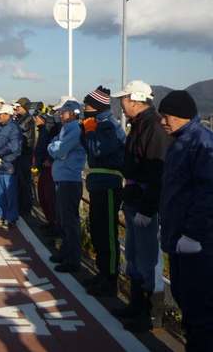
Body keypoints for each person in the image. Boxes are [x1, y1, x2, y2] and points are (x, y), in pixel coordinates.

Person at [110, 80, 171, 332]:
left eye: (123, 99)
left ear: (135, 99)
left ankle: (151, 314)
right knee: (134, 255)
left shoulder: (153, 128)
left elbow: (157, 172)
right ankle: (136, 306)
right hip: (134, 198)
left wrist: (148, 209)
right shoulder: (139, 125)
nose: (121, 104)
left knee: (148, 258)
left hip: (144, 202)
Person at [158, 90, 213, 352]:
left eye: (166, 116)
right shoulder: (181, 140)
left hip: (197, 243)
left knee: (200, 308)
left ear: (181, 115)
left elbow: (209, 191)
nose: (162, 121)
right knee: (185, 299)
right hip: (179, 239)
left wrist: (193, 233)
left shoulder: (201, 142)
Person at [80, 86, 126, 297]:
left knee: (107, 233)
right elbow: (88, 147)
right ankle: (102, 273)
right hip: (98, 183)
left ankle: (110, 279)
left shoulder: (107, 126)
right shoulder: (99, 123)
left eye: (87, 105)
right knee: (98, 231)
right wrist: (86, 131)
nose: (84, 108)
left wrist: (89, 131)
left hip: (108, 183)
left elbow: (97, 149)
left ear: (96, 106)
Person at [48, 98, 86, 273]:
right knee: (64, 219)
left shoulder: (74, 130)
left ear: (71, 113)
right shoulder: (66, 129)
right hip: (63, 178)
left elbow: (59, 150)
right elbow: (55, 147)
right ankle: (65, 252)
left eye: (63, 112)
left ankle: (73, 258)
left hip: (69, 180)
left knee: (70, 221)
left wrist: (55, 148)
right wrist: (55, 147)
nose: (60, 114)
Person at [0, 104, 22, 228]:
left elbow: (14, 147)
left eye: (0, 114)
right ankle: (0, 215)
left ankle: (11, 217)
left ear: (8, 115)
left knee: (9, 192)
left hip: (9, 164)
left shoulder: (14, 128)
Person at [33, 107, 61, 234]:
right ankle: (50, 222)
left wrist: (49, 159)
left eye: (37, 117)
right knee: (43, 195)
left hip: (49, 166)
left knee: (49, 196)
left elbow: (51, 146)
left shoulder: (49, 130)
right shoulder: (44, 130)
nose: (35, 119)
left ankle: (54, 224)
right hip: (42, 165)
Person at [14, 97, 35, 216]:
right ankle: (23, 206)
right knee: (22, 182)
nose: (16, 108)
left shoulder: (26, 119)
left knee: (23, 182)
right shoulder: (22, 118)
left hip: (24, 154)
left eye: (19, 106)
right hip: (23, 154)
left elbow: (17, 130)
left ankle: (25, 208)